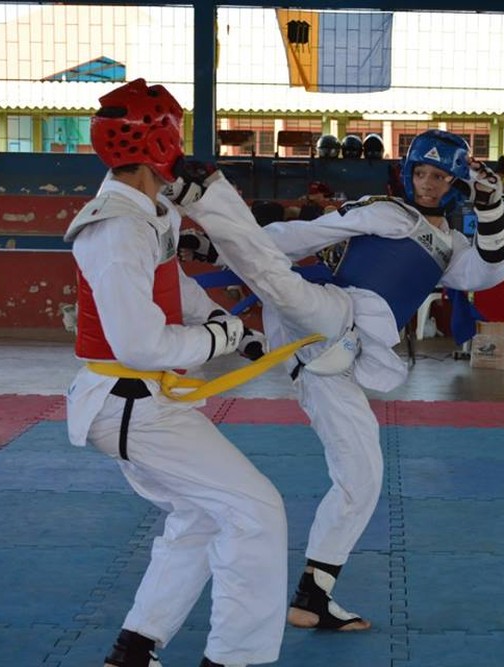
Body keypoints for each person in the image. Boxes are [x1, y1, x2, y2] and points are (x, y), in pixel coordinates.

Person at [67, 78, 357, 667]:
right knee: (255, 511)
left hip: (146, 401)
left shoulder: (148, 212)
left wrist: (240, 336)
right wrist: (217, 338)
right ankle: (234, 659)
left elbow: (174, 291)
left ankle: (135, 649)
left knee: (202, 513)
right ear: (160, 144)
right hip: (130, 403)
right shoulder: (116, 229)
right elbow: (140, 341)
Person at [177, 129, 504, 633]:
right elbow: (304, 236)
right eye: (420, 173)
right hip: (331, 313)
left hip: (336, 359)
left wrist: (493, 206)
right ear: (407, 174)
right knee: (280, 282)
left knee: (362, 475)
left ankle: (313, 596)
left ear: (454, 183)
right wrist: (215, 247)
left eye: (439, 176)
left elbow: (492, 273)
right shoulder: (388, 214)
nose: (427, 184)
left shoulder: (451, 248)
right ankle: (204, 194)